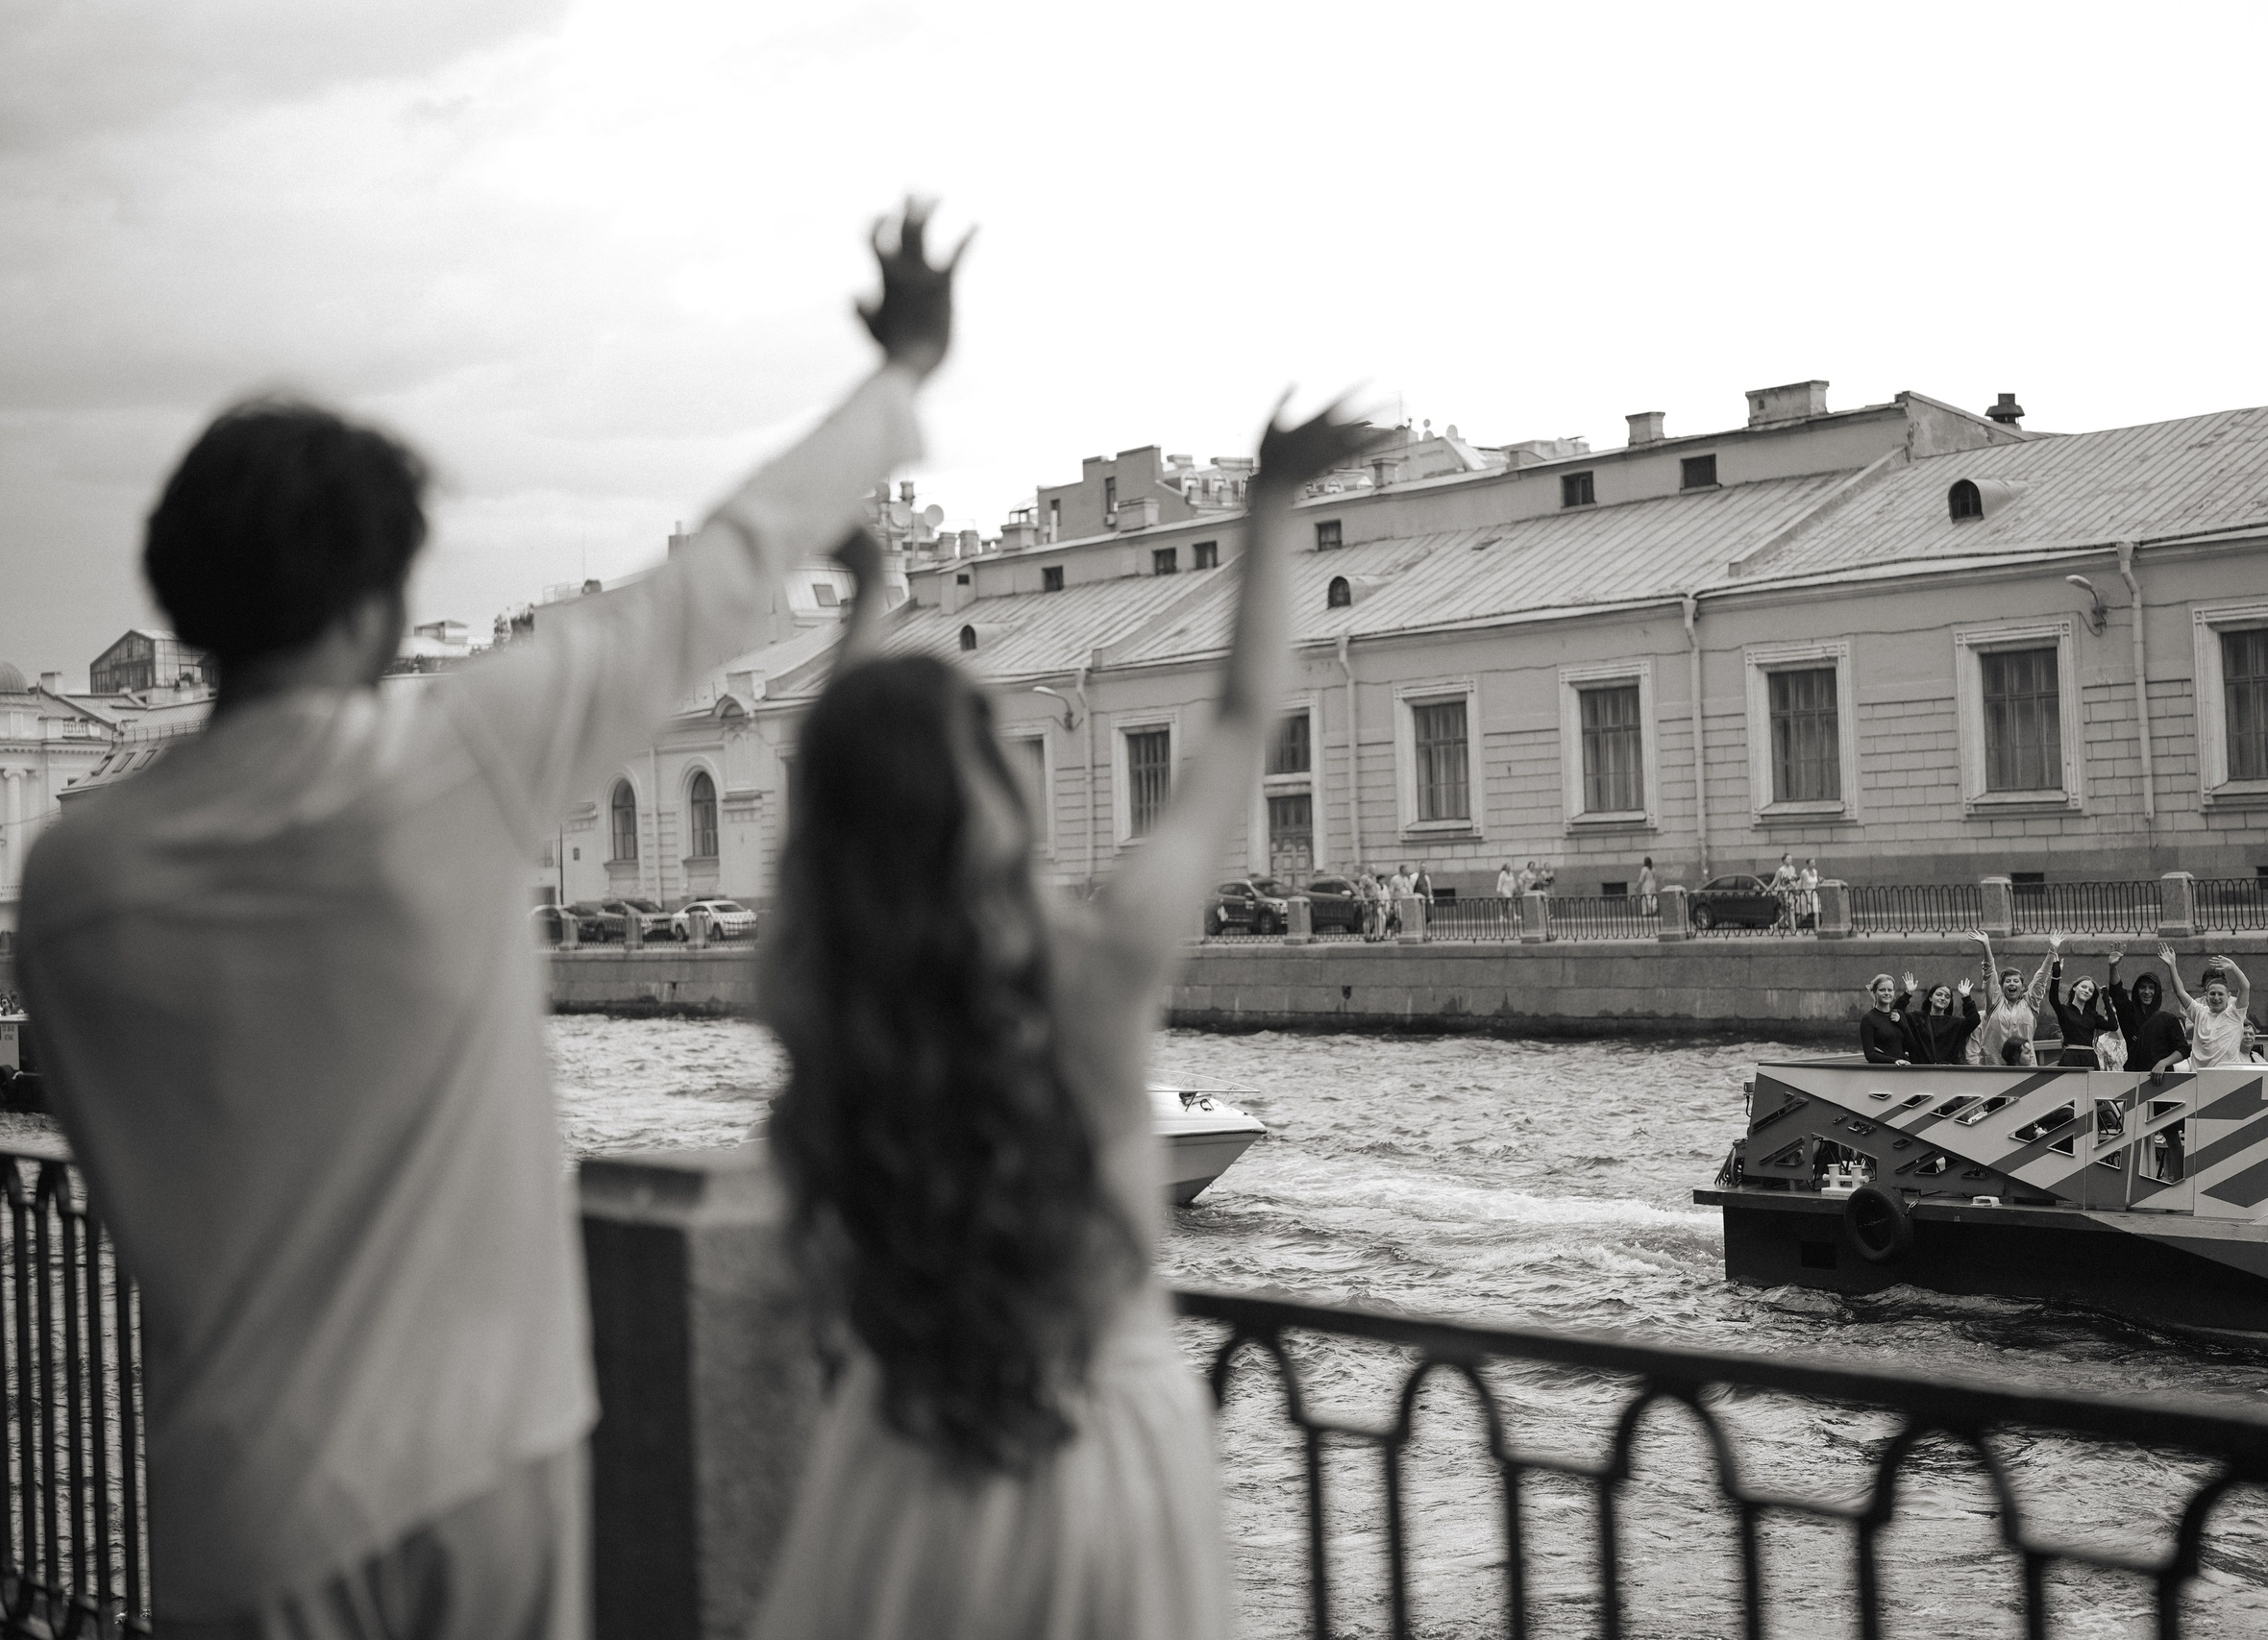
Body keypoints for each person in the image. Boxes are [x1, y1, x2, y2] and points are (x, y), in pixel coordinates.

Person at [15, 208, 958, 1638]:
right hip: (482, 1465)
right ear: (388, 603)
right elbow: (726, 565)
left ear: (184, 596)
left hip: (238, 1501)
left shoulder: (75, 876)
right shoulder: (449, 762)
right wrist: (905, 367)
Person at [751, 400, 1378, 1640]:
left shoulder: (826, 995)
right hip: (1098, 1475)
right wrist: (1266, 505)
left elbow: (838, 796)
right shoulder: (1093, 974)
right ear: (996, 790)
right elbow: (1245, 718)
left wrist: (868, 603)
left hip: (899, 1464)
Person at [1967, 930, 2060, 1065]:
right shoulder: (1995, 1002)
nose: (2012, 983)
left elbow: (2041, 979)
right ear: (2002, 987)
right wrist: (1986, 945)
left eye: (2016, 981)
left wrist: (2052, 951)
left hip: (2025, 1067)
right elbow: (1990, 974)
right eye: (2008, 981)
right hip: (1995, 1065)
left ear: (2023, 987)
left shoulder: (2030, 1003)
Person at [2159, 945, 2253, 1068]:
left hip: (2229, 1078)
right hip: (2199, 1078)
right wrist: (2172, 966)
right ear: (2206, 996)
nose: (2216, 998)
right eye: (2212, 994)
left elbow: (2245, 987)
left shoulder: (2235, 1013)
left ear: (2228, 996)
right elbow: (2180, 992)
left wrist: (2233, 967)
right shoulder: (2199, 1012)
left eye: (2220, 994)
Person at [2111, 966, 2191, 1076]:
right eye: (2142, 987)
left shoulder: (2169, 1019)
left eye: (2151, 987)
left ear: (2157, 991)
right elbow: (2117, 992)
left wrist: (2163, 1063)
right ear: (2136, 990)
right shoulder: (2128, 1015)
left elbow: (2184, 1049)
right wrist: (2113, 966)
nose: (2147, 991)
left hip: (2161, 1080)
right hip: (2132, 1079)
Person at [2046, 956, 2118, 1068]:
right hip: (2071, 1058)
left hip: (2090, 1058)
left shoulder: (2092, 1015)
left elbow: (2113, 1026)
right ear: (2074, 988)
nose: (2086, 991)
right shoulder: (2065, 1011)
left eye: (2090, 990)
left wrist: (2106, 1001)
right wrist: (2056, 973)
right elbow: (2053, 999)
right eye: (2083, 987)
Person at [1902, 976, 1981, 1065]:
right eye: (1939, 994)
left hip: (1946, 1073)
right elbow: (1897, 1015)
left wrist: (1966, 997)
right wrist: (1907, 993)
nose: (1943, 998)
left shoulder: (1954, 1023)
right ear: (1930, 998)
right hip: (1921, 1072)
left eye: (1947, 997)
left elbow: (1974, 1020)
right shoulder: (1917, 1018)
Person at [1860, 974, 1915, 1065]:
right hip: (1884, 1070)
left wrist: (1902, 1024)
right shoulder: (1868, 1018)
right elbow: (1869, 1054)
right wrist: (1895, 1061)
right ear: (1874, 992)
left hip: (1904, 1067)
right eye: (1882, 990)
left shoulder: (1898, 1014)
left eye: (1890, 990)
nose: (1887, 993)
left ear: (1893, 992)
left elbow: (1912, 1046)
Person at [1772, 853, 1801, 931]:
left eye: (1791, 859)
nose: (1791, 860)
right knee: (1791, 911)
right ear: (1784, 860)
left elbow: (1794, 880)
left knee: (1789, 912)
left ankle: (1776, 925)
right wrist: (1767, 890)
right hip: (1784, 893)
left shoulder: (1792, 868)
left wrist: (1795, 887)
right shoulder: (1780, 870)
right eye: (1789, 859)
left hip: (1792, 892)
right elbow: (1774, 882)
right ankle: (1794, 930)